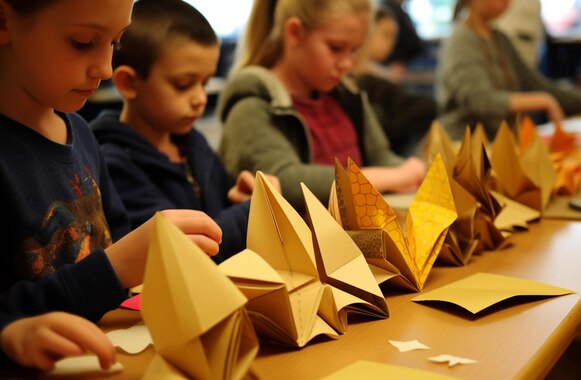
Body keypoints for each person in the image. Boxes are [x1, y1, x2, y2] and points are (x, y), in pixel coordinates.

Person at [0, 0, 221, 369]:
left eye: (116, 43)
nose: (105, 68)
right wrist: (10, 335)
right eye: (83, 42)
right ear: (4, 20)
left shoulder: (82, 135)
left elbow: (119, 245)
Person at [91, 0, 273, 263]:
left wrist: (243, 194)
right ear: (129, 83)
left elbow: (222, 212)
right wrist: (256, 209)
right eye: (183, 84)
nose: (200, 98)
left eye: (205, 83)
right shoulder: (114, 163)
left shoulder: (193, 143)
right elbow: (186, 252)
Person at [219, 0, 425, 212]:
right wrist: (396, 176)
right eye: (336, 48)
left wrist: (409, 173)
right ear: (294, 33)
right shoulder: (250, 107)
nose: (347, 63)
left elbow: (381, 157)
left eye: (354, 50)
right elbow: (285, 181)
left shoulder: (346, 95)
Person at [436, 0, 581, 141]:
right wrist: (544, 100)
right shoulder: (460, 39)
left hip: (500, 147)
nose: (506, 3)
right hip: (464, 152)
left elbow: (537, 84)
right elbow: (482, 101)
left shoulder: (499, 39)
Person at [352, 4, 436, 157]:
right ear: (368, 33)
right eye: (386, 35)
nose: (392, 43)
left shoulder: (379, 74)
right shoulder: (367, 82)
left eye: (394, 37)